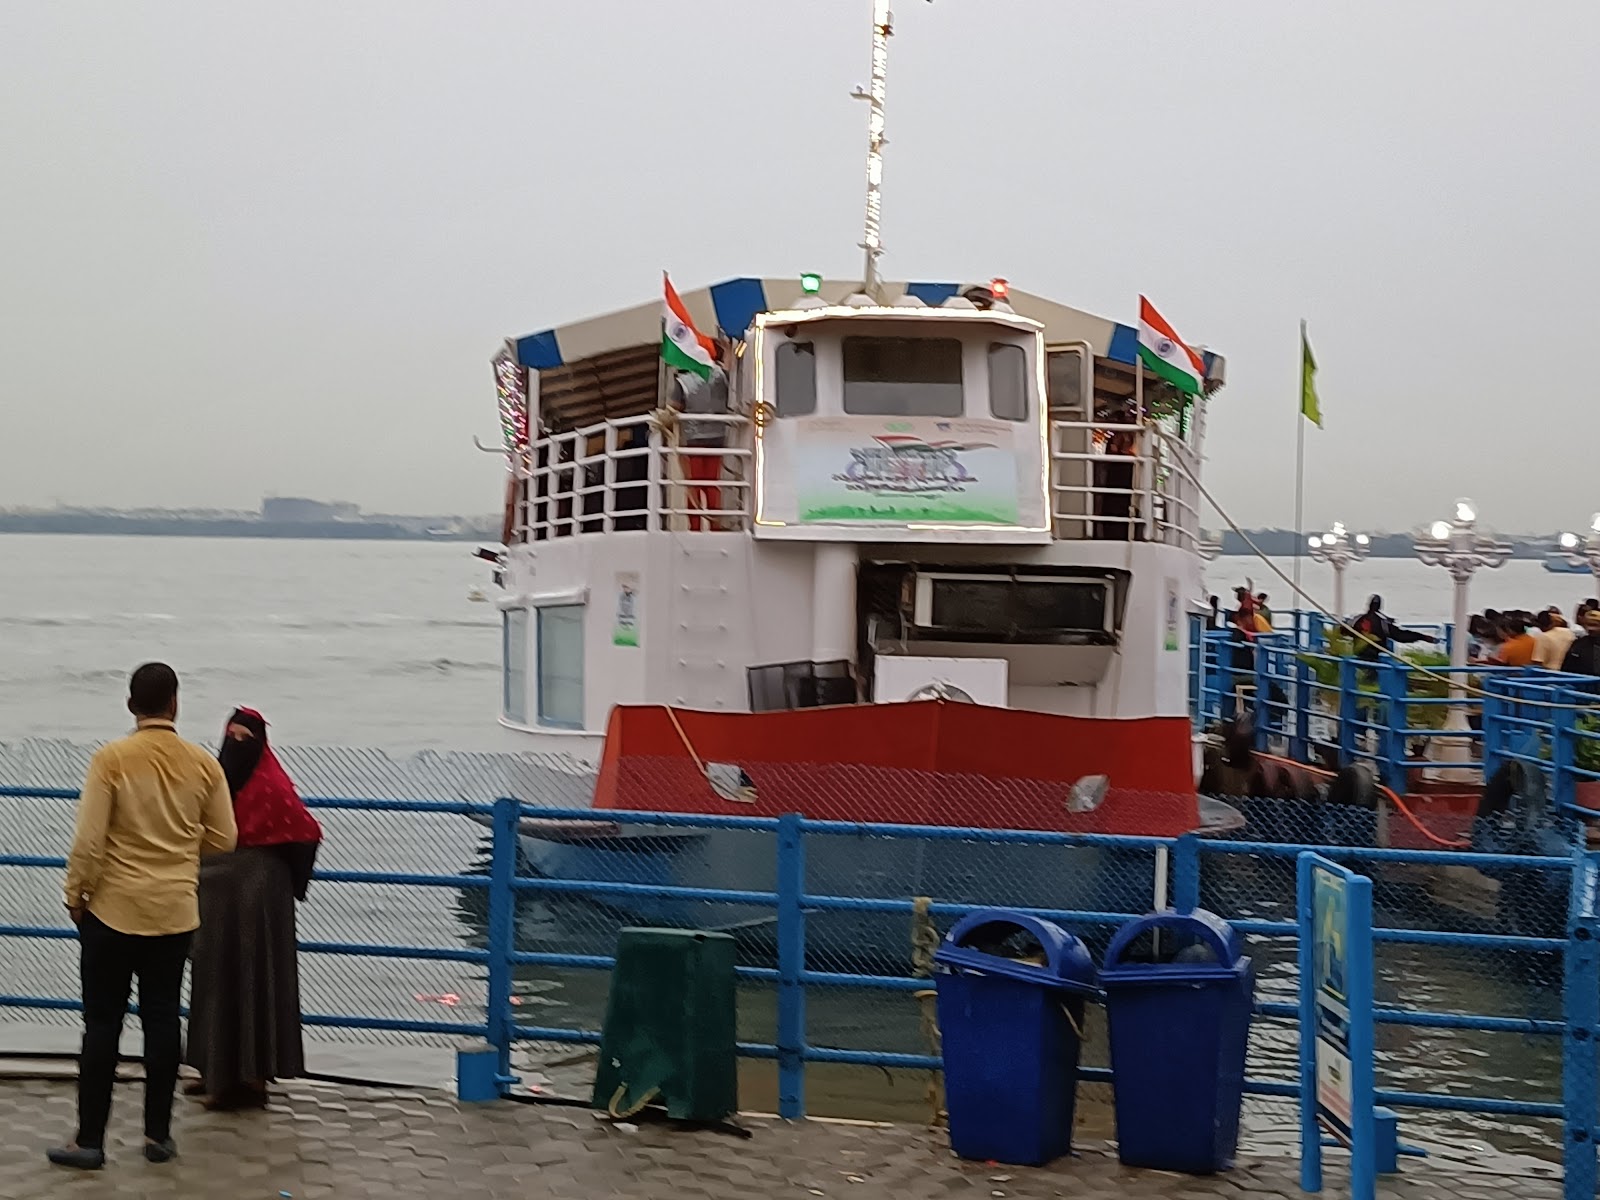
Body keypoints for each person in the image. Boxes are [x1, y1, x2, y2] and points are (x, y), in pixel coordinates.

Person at [51, 664, 236, 1170]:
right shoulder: (202, 764)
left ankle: (90, 1141)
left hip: (111, 910)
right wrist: (178, 851)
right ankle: (158, 1138)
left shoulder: (111, 760)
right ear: (174, 704)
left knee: (102, 1024)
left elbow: (89, 840)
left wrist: (76, 894)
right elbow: (224, 838)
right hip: (174, 911)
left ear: (132, 705)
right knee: (161, 1020)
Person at [184, 708, 323, 1111]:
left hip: (257, 893)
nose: (236, 746)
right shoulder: (215, 782)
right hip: (219, 889)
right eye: (232, 737)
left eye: (244, 738)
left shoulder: (268, 785)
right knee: (216, 981)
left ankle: (249, 1080)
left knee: (255, 979)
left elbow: (304, 829)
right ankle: (215, 1072)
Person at [1349, 594, 1439, 663]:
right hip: (1377, 655)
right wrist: (1422, 637)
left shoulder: (1356, 620)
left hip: (1357, 652)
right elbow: (1400, 636)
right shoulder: (1382, 622)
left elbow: (1344, 631)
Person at [1564, 610, 1600, 675]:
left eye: (1594, 625)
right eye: (1588, 625)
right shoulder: (1578, 643)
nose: (1590, 628)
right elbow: (1567, 667)